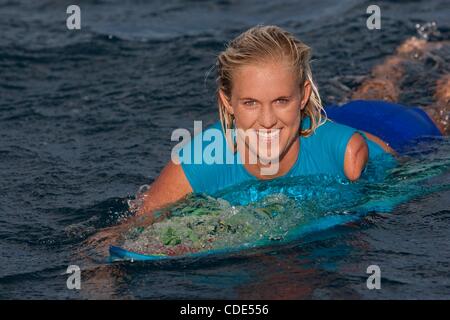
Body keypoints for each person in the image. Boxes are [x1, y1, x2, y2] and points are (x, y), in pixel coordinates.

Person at [86, 25, 448, 251]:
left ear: (302, 96)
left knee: (440, 107)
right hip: (320, 122)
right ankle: (401, 58)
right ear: (227, 102)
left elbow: (403, 182)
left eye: (280, 100)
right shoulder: (199, 159)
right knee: (374, 89)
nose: (267, 120)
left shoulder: (349, 158)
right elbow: (119, 236)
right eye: (250, 103)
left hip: (393, 133)